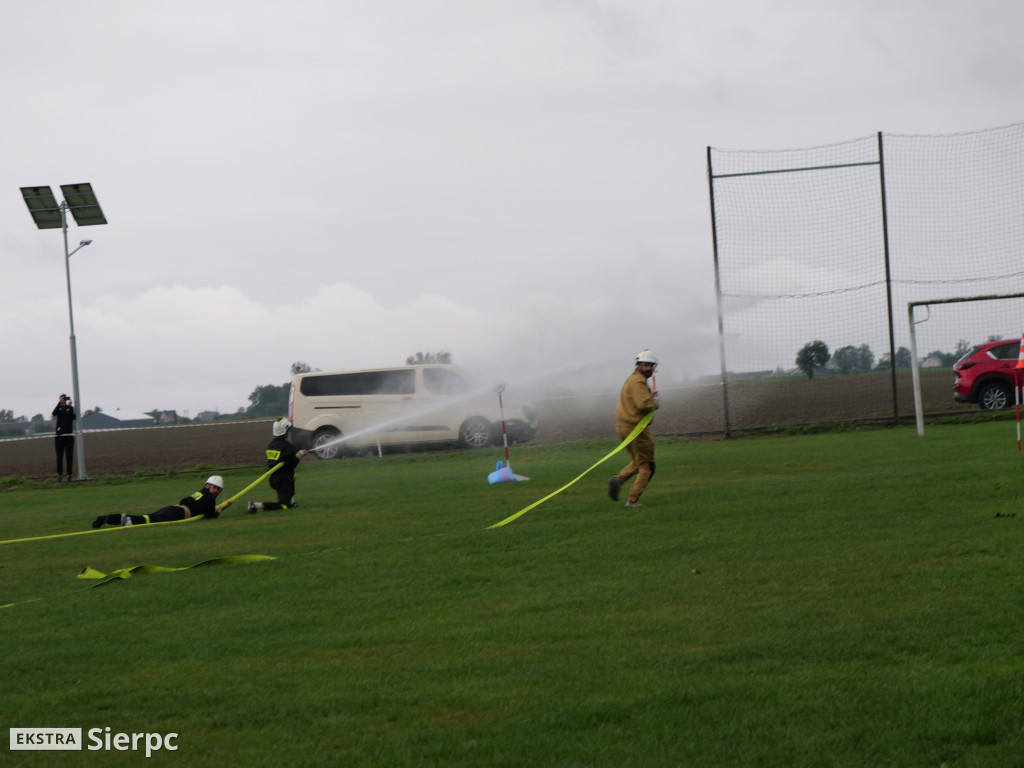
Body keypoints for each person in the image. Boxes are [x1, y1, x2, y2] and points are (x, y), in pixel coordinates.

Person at [609, 349, 660, 508]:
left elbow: (637, 400)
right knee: (647, 467)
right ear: (638, 365)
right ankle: (632, 500)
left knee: (638, 462)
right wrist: (654, 403)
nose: (649, 369)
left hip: (624, 427)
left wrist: (649, 396)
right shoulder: (638, 381)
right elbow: (642, 404)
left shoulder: (632, 379)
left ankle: (618, 480)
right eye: (646, 365)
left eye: (651, 366)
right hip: (636, 429)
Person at [91, 476, 232, 527]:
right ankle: (118, 520)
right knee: (143, 521)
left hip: (173, 509)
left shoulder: (201, 493)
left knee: (145, 518)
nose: (215, 491)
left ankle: (109, 518)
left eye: (218, 489)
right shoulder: (209, 499)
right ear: (208, 485)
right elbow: (211, 517)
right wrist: (221, 508)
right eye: (214, 487)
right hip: (177, 514)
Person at [247, 418, 309, 513]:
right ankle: (255, 505)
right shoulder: (287, 446)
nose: (288, 432)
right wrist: (301, 455)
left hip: (273, 479)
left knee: (292, 475)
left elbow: (284, 457)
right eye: (287, 430)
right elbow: (292, 463)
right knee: (283, 506)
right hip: (283, 480)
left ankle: (292, 502)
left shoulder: (271, 444)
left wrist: (297, 453)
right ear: (284, 431)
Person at [52, 394, 76, 482]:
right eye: (62, 399)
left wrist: (69, 406)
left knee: (69, 456)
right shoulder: (58, 408)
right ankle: (60, 475)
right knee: (59, 457)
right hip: (59, 437)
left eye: (64, 399)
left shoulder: (70, 408)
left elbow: (73, 417)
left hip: (69, 436)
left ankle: (69, 475)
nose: (63, 400)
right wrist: (59, 403)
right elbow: (53, 413)